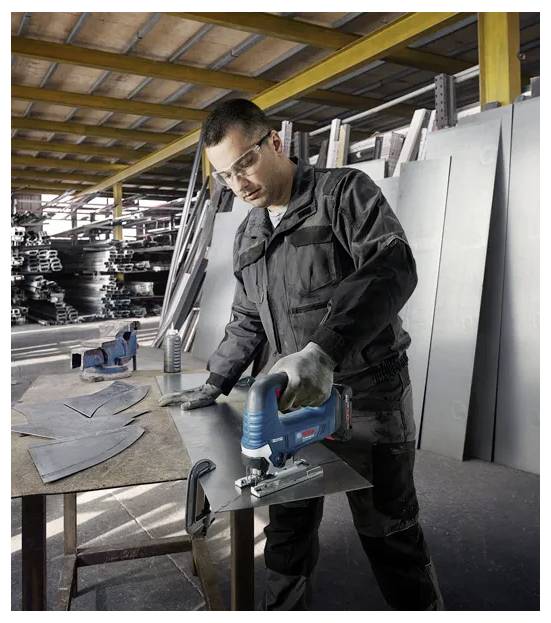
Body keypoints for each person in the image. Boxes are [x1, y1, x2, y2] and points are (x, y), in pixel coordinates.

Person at [161, 98, 444, 610]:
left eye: (244, 162)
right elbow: (248, 317)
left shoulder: (342, 193)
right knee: (288, 528)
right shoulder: (249, 230)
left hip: (366, 398)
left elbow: (392, 264)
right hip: (294, 405)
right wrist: (216, 380)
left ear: (274, 142)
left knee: (388, 530)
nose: (239, 183)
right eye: (225, 176)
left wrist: (323, 350)